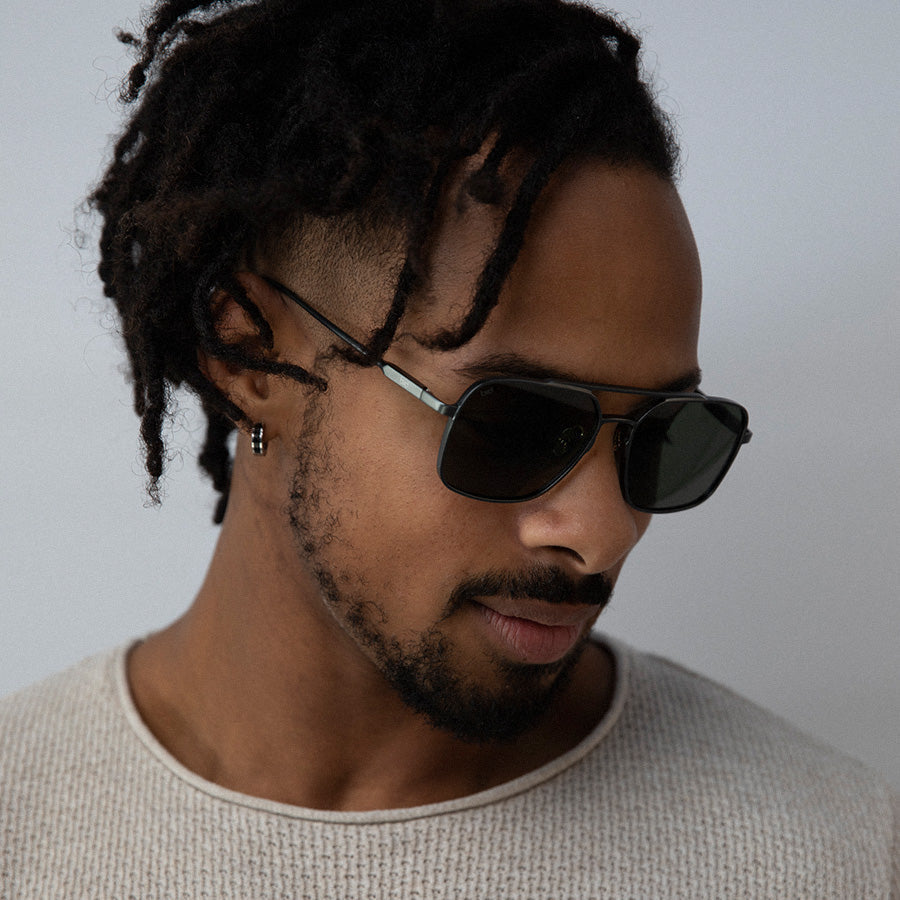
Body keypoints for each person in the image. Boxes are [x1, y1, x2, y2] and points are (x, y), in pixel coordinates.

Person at [1, 0, 896, 896]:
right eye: (512, 425)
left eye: (664, 438)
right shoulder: (22, 825)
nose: (603, 531)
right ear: (250, 354)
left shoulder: (828, 854)